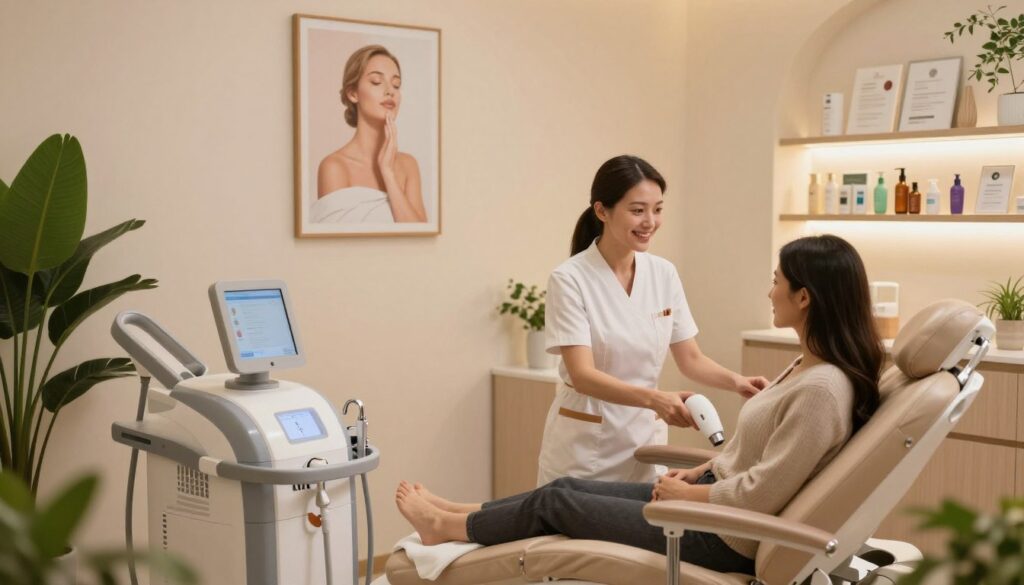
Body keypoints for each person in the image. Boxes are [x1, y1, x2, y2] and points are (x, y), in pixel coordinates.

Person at [395, 234, 884, 574]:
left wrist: (689, 497)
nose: (769, 289)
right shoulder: (806, 366)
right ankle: (460, 515)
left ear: (803, 298)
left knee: (559, 503)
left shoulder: (821, 389)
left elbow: (760, 495)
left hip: (720, 533)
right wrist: (699, 473)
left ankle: (445, 527)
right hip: (711, 503)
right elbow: (762, 463)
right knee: (563, 488)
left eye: (777, 280)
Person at [537, 155, 768, 485]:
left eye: (657, 209)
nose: (650, 221)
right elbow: (583, 375)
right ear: (602, 211)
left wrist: (737, 382)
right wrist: (656, 399)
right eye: (637, 210)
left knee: (638, 529)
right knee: (569, 533)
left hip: (646, 439)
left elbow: (691, 359)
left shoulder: (663, 273)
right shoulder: (570, 279)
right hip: (586, 445)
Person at [312, 45, 426, 224]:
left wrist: (388, 173)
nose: (390, 91)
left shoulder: (408, 166)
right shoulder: (334, 167)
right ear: (353, 93)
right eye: (376, 82)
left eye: (396, 84)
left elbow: (420, 240)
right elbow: (336, 248)